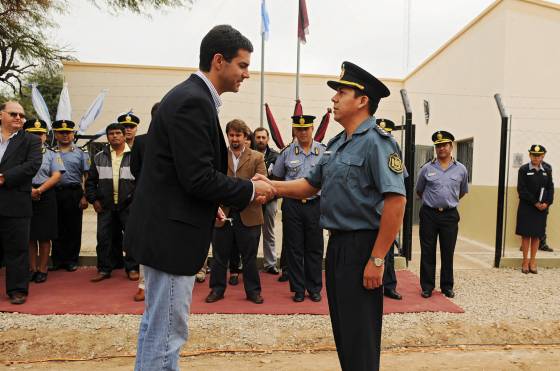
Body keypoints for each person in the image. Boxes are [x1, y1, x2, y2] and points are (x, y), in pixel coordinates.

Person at [124, 25, 274, 371]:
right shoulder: (193, 101)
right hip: (170, 240)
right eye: (243, 65)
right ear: (219, 61)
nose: (247, 74)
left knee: (156, 326)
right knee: (167, 332)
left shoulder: (192, 98)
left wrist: (211, 210)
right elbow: (198, 178)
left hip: (168, 231)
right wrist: (252, 189)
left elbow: (178, 176)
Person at [254, 61, 406, 371]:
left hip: (363, 247)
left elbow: (396, 202)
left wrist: (378, 259)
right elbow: (309, 185)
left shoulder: (378, 144)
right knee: (344, 331)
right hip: (337, 247)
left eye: (342, 92)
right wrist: (272, 186)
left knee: (360, 335)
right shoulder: (336, 145)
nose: (334, 98)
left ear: (362, 100)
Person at [206, 119, 266, 304]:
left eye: (238, 135)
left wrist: (261, 197)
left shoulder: (256, 157)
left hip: (249, 213)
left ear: (245, 136)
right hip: (222, 213)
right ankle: (216, 289)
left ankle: (253, 292)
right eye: (231, 135)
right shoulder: (218, 156)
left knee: (249, 258)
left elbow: (263, 184)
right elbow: (210, 183)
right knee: (219, 257)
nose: (235, 139)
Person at [272, 114, 325, 302]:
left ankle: (315, 288)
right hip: (292, 206)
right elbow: (277, 177)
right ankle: (298, 289)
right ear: (294, 130)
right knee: (294, 249)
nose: (303, 132)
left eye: (306, 128)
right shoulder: (286, 152)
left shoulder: (323, 151)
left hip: (314, 205)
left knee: (315, 248)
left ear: (312, 129)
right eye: (299, 129)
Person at [416, 130, 469, 299]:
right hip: (429, 215)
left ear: (451, 146)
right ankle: (427, 286)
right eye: (438, 145)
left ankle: (447, 286)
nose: (441, 148)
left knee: (448, 251)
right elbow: (419, 190)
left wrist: (447, 203)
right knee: (427, 251)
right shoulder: (426, 168)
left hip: (449, 215)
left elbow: (462, 192)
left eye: (444, 145)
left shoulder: (461, 169)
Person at [0, 101, 42, 304]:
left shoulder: (31, 140)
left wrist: (4, 177)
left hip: (16, 203)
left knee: (17, 249)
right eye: (13, 114)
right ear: (1, 115)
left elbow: (32, 165)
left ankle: (17, 290)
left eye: (21, 115)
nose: (18, 118)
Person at [85, 123, 138, 282]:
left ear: (124, 135)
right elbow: (90, 182)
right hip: (106, 205)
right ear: (107, 137)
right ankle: (104, 269)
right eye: (111, 134)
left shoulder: (135, 155)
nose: (114, 136)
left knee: (131, 238)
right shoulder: (99, 156)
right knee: (103, 238)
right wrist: (93, 200)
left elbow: (141, 181)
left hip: (128, 205)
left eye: (117, 133)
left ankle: (133, 268)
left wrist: (135, 201)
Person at [24, 119, 65, 283]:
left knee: (45, 235)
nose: (37, 137)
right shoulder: (18, 154)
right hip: (24, 193)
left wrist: (39, 190)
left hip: (46, 195)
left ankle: (43, 269)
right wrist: (29, 191)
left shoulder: (52, 154)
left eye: (40, 134)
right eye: (32, 134)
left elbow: (57, 175)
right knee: (29, 235)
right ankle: (31, 268)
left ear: (45, 136)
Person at [129, 103, 159, 302]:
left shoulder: (178, 140)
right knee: (146, 242)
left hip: (171, 203)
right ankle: (143, 285)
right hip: (147, 200)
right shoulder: (140, 142)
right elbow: (135, 169)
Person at [51, 119, 90, 272]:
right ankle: (57, 260)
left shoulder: (81, 154)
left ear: (73, 134)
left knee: (73, 227)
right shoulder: (50, 153)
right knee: (56, 227)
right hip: (55, 192)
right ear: (56, 134)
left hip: (74, 193)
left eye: (68, 132)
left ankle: (71, 260)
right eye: (62, 132)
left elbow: (87, 176)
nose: (65, 135)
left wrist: (85, 196)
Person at [375, 119, 403, 300]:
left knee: (388, 251)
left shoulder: (395, 154)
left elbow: (401, 181)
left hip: (387, 210)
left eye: (389, 133)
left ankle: (389, 285)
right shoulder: (372, 150)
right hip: (369, 211)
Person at [516, 145, 554, 274]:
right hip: (527, 207)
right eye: (533, 155)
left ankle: (533, 261)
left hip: (541, 209)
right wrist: (535, 202)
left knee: (537, 235)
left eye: (538, 155)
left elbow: (550, 188)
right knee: (526, 235)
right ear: (529, 155)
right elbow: (522, 190)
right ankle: (525, 261)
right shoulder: (524, 170)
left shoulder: (547, 170)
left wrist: (547, 203)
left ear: (543, 156)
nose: (536, 157)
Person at [111, 113, 140, 270]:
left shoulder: (141, 146)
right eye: (125, 127)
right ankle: (115, 263)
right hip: (114, 198)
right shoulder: (111, 149)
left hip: (135, 198)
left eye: (131, 127)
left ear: (136, 129)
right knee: (111, 234)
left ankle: (133, 265)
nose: (128, 130)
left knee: (132, 233)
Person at [254, 127, 280, 275]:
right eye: (258, 137)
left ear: (268, 139)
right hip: (253, 200)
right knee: (251, 232)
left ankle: (270, 263)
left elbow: (277, 178)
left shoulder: (275, 156)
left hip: (270, 200)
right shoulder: (249, 154)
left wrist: (269, 195)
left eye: (263, 137)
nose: (261, 140)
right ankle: (248, 262)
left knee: (269, 231)